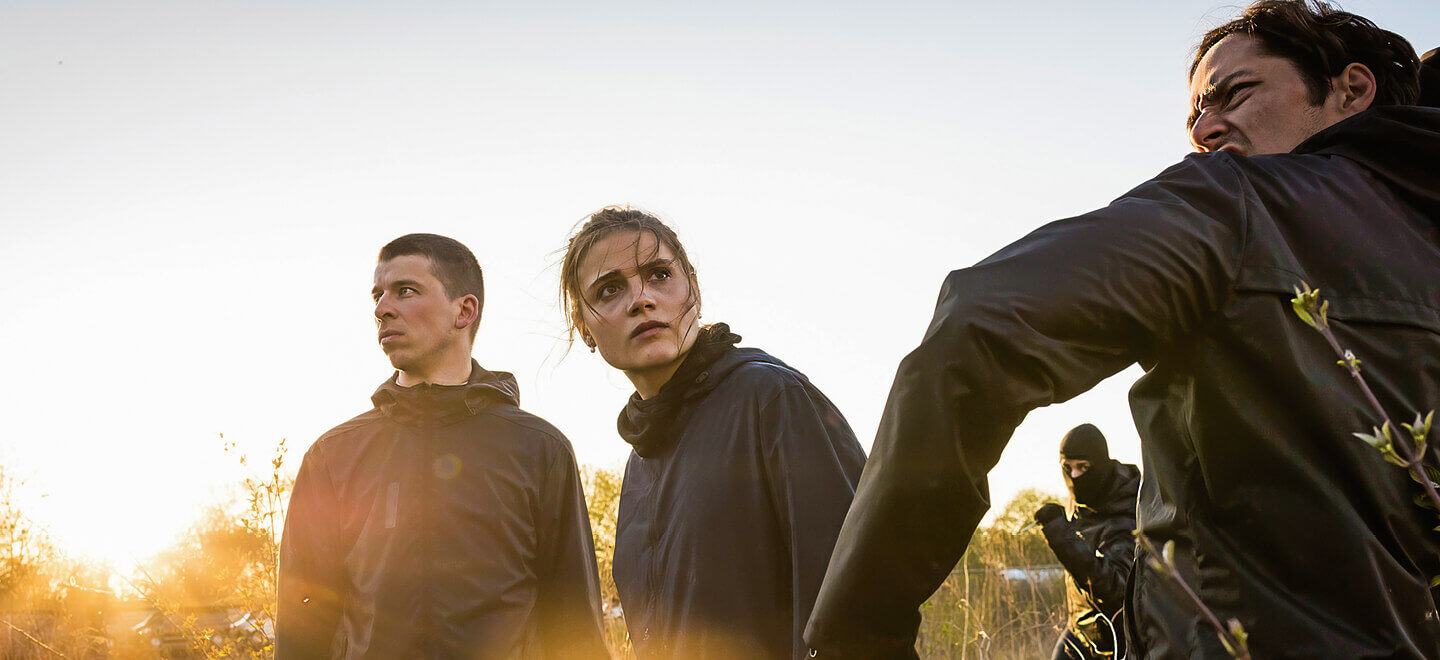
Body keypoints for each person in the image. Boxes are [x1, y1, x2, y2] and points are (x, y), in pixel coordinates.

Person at [805, 1, 1439, 657]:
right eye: (1195, 115)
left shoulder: (1239, 201)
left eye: (1236, 93)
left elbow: (980, 325)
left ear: (1350, 90)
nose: (1205, 129)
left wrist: (859, 633)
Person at [277, 233, 609, 658]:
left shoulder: (540, 450)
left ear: (464, 311)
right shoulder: (332, 456)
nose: (382, 309)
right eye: (378, 295)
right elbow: (302, 627)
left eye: (405, 291)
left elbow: (576, 626)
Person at [559, 207, 867, 658]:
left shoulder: (771, 398)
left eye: (659, 275)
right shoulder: (640, 463)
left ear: (694, 289)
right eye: (609, 289)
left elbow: (858, 603)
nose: (641, 299)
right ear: (585, 329)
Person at [1033, 424, 1138, 659]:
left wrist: (1061, 535)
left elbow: (1115, 588)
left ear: (1100, 465)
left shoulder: (1129, 510)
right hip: (1079, 632)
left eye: (1083, 467)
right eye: (1067, 468)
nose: (1074, 476)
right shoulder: (1079, 503)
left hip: (1118, 643)